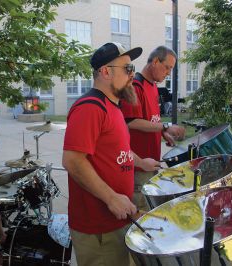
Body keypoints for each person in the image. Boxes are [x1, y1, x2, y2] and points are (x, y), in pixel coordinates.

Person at [62, 42, 161, 266]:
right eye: (127, 69)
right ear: (106, 72)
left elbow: (119, 150)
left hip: (118, 220)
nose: (132, 75)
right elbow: (72, 160)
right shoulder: (90, 107)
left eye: (132, 68)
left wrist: (140, 162)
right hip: (98, 229)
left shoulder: (113, 107)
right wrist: (111, 197)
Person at [120, 46, 186, 211]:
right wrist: (166, 125)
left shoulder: (153, 86)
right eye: (167, 67)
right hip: (138, 164)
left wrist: (163, 132)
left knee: (150, 208)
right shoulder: (136, 85)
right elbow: (131, 121)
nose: (168, 73)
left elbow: (149, 119)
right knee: (140, 212)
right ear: (155, 61)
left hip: (152, 160)